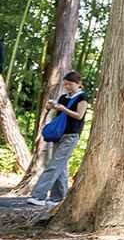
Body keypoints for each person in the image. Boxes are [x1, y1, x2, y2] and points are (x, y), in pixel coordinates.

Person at [27, 70, 89, 207]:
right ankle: (58, 198)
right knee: (60, 166)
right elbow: (58, 116)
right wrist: (50, 107)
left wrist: (63, 108)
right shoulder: (63, 97)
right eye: (65, 84)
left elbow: (79, 116)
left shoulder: (82, 97)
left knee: (54, 165)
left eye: (70, 84)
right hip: (58, 135)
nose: (67, 87)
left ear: (79, 84)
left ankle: (38, 196)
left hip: (71, 136)